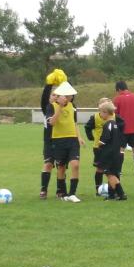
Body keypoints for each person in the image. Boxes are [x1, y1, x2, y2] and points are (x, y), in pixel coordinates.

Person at [47, 80, 84, 203]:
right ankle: (63, 193)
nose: (71, 97)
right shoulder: (52, 106)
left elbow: (74, 123)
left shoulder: (73, 106)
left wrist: (79, 137)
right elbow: (52, 122)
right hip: (58, 140)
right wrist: (60, 107)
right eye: (68, 95)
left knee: (75, 164)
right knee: (61, 167)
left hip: (72, 139)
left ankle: (72, 193)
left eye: (71, 95)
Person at [38, 69, 66, 199]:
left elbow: (70, 97)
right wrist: (48, 84)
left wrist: (65, 83)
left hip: (61, 140)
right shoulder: (47, 108)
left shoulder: (64, 107)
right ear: (49, 98)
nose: (55, 96)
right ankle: (43, 190)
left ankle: (60, 190)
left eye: (57, 95)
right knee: (48, 164)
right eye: (53, 95)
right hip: (49, 141)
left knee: (61, 166)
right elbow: (44, 97)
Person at [93, 101, 127, 201]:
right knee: (113, 174)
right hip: (115, 153)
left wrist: (99, 144)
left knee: (110, 174)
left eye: (100, 112)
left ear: (105, 112)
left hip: (109, 154)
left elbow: (104, 139)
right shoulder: (115, 124)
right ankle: (112, 195)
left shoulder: (108, 124)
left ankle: (121, 194)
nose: (100, 115)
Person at [113, 81, 134, 176]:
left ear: (119, 89)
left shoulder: (117, 99)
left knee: (121, 149)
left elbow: (114, 114)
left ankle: (119, 171)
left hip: (121, 129)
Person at [85, 97, 114, 195]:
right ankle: (98, 189)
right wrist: (91, 137)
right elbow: (87, 127)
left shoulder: (115, 117)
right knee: (100, 168)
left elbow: (121, 128)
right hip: (99, 147)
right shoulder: (95, 117)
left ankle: (112, 189)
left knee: (111, 169)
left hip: (112, 147)